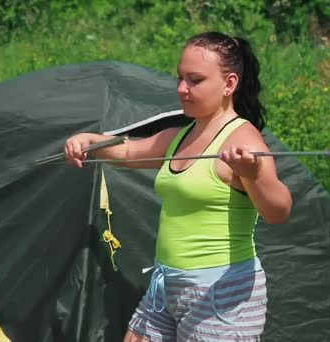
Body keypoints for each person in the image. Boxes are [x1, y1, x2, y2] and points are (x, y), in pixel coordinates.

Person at [64, 31, 292, 342]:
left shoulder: (243, 140)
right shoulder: (180, 136)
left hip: (221, 295)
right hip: (168, 284)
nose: (182, 89)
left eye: (195, 80)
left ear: (229, 84)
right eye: (180, 78)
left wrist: (254, 174)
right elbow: (128, 151)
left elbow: (279, 211)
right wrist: (89, 141)